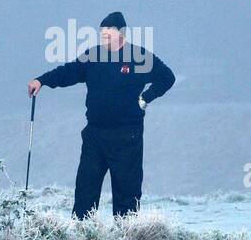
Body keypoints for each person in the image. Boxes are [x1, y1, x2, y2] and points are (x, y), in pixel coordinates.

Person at [28, 11, 174, 219]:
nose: (104, 36)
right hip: (95, 135)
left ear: (121, 33)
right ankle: (83, 236)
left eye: (109, 32)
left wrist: (145, 98)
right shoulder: (93, 56)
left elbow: (167, 78)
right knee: (85, 191)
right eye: (102, 33)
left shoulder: (139, 57)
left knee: (127, 193)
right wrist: (41, 80)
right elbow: (68, 72)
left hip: (127, 136)